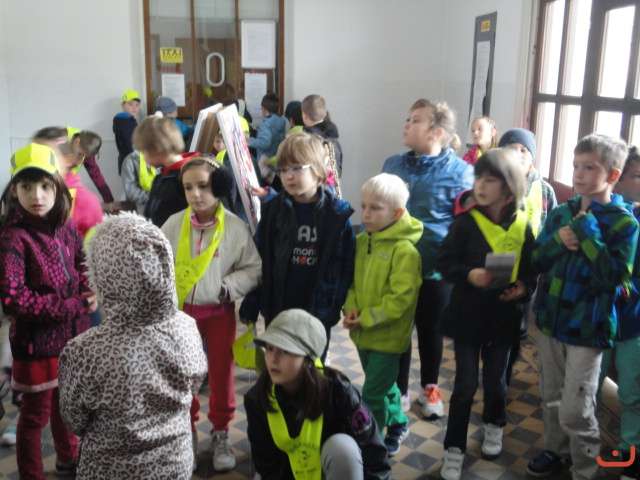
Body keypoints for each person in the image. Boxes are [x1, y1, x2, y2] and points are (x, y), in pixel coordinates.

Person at [58, 213, 207, 479]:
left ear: (103, 276)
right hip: (174, 463)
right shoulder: (187, 326)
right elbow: (194, 384)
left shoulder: (85, 350)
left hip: (110, 470)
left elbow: (74, 420)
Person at [526, 134, 638, 479]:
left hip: (588, 329)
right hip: (551, 322)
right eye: (576, 165)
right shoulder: (562, 213)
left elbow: (615, 276)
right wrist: (558, 242)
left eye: (589, 167)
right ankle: (556, 450)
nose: (578, 173)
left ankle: (585, 468)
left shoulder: (624, 223)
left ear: (613, 175)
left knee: (577, 408)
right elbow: (535, 260)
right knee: (551, 397)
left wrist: (588, 232)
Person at [436, 148, 537, 480]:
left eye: (490, 179)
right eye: (478, 177)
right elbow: (444, 263)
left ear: (508, 187)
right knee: (465, 386)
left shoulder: (522, 225)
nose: (480, 184)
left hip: (505, 318)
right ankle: (454, 448)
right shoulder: (465, 223)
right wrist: (469, 274)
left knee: (496, 383)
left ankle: (494, 425)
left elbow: (531, 271)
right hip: (468, 318)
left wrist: (523, 288)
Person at [0, 143, 98, 479]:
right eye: (26, 186)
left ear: (57, 186)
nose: (37, 195)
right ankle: (31, 474)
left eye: (44, 185)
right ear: (14, 189)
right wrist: (73, 305)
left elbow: (81, 262)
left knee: (66, 406)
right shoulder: (13, 237)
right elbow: (14, 299)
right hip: (35, 346)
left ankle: (68, 459)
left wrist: (89, 287)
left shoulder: (65, 226)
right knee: (33, 417)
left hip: (70, 340)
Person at [161, 155, 261, 472]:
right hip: (181, 317)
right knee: (182, 376)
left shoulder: (234, 227)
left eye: (203, 186)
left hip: (219, 314)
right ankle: (186, 432)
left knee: (220, 374)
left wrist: (226, 287)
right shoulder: (174, 224)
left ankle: (220, 432)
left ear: (218, 186)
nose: (195, 194)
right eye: (188, 187)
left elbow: (254, 268)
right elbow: (157, 263)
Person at [382, 98, 474, 419]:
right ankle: (400, 389)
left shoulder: (462, 173)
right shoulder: (392, 165)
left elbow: (467, 225)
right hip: (397, 266)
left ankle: (430, 387)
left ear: (437, 132)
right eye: (408, 118)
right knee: (399, 329)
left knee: (431, 330)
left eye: (416, 120)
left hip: (436, 270)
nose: (407, 124)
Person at [239, 132, 355, 361]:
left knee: (312, 367)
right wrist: (250, 304)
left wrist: (335, 306)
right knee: (280, 364)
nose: (288, 176)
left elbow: (346, 267)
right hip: (279, 306)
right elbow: (259, 260)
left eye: (296, 168)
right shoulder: (273, 211)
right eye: (283, 170)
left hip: (317, 310)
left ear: (318, 169)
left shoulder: (337, 215)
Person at [245, 309, 392, 480]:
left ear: (308, 360)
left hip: (331, 472)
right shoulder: (256, 399)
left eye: (285, 351)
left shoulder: (339, 392)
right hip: (284, 475)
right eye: (270, 348)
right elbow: (266, 466)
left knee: (342, 448)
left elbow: (374, 455)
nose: (273, 359)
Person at [343, 173, 422, 456]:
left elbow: (400, 300)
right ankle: (398, 422)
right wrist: (351, 308)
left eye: (375, 208)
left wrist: (365, 318)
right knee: (386, 386)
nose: (365, 214)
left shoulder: (405, 251)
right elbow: (352, 283)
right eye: (364, 206)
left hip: (388, 339)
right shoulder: (361, 241)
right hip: (363, 334)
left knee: (372, 394)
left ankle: (371, 447)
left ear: (397, 213)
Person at [498, 127, 558, 384]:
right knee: (493, 318)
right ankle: (493, 370)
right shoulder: (495, 185)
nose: (518, 154)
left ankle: (503, 375)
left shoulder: (545, 190)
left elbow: (552, 225)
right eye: (512, 149)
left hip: (529, 268)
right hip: (497, 263)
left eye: (524, 150)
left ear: (532, 155)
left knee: (516, 324)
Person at [597, 145, 640, 480]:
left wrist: (627, 288)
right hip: (598, 318)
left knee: (631, 393)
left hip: (634, 322)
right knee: (586, 386)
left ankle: (630, 453)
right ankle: (581, 445)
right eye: (637, 176)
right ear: (618, 179)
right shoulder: (609, 216)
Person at [133, 116, 200, 227]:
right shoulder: (162, 176)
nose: (143, 158)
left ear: (155, 149)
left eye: (143, 152)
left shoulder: (187, 177)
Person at [302, 94, 343, 178]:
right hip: (332, 184)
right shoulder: (334, 140)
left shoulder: (306, 139)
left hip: (313, 183)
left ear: (304, 115)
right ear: (325, 115)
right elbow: (338, 169)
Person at [250, 93, 287, 184]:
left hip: (264, 161)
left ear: (263, 109)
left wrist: (249, 140)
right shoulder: (282, 121)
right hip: (274, 159)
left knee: (263, 185)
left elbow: (265, 143)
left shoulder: (265, 125)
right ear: (278, 109)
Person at [120, 150, 157, 215]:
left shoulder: (163, 156)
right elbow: (131, 191)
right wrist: (153, 196)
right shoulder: (130, 160)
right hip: (143, 208)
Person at [113, 89, 140, 175]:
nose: (134, 107)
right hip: (131, 163)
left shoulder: (122, 120)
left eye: (137, 105)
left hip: (125, 161)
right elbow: (131, 144)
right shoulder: (127, 123)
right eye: (130, 104)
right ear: (122, 104)